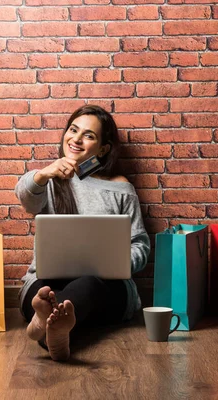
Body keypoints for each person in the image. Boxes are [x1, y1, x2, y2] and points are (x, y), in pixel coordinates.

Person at [14, 105, 150, 361]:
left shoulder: (121, 188)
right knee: (44, 291)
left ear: (103, 149)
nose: (76, 139)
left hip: (105, 287)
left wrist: (113, 264)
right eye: (73, 130)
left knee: (86, 284)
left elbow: (140, 246)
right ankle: (56, 330)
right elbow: (25, 197)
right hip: (48, 282)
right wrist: (43, 174)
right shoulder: (49, 180)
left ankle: (44, 324)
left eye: (88, 135)